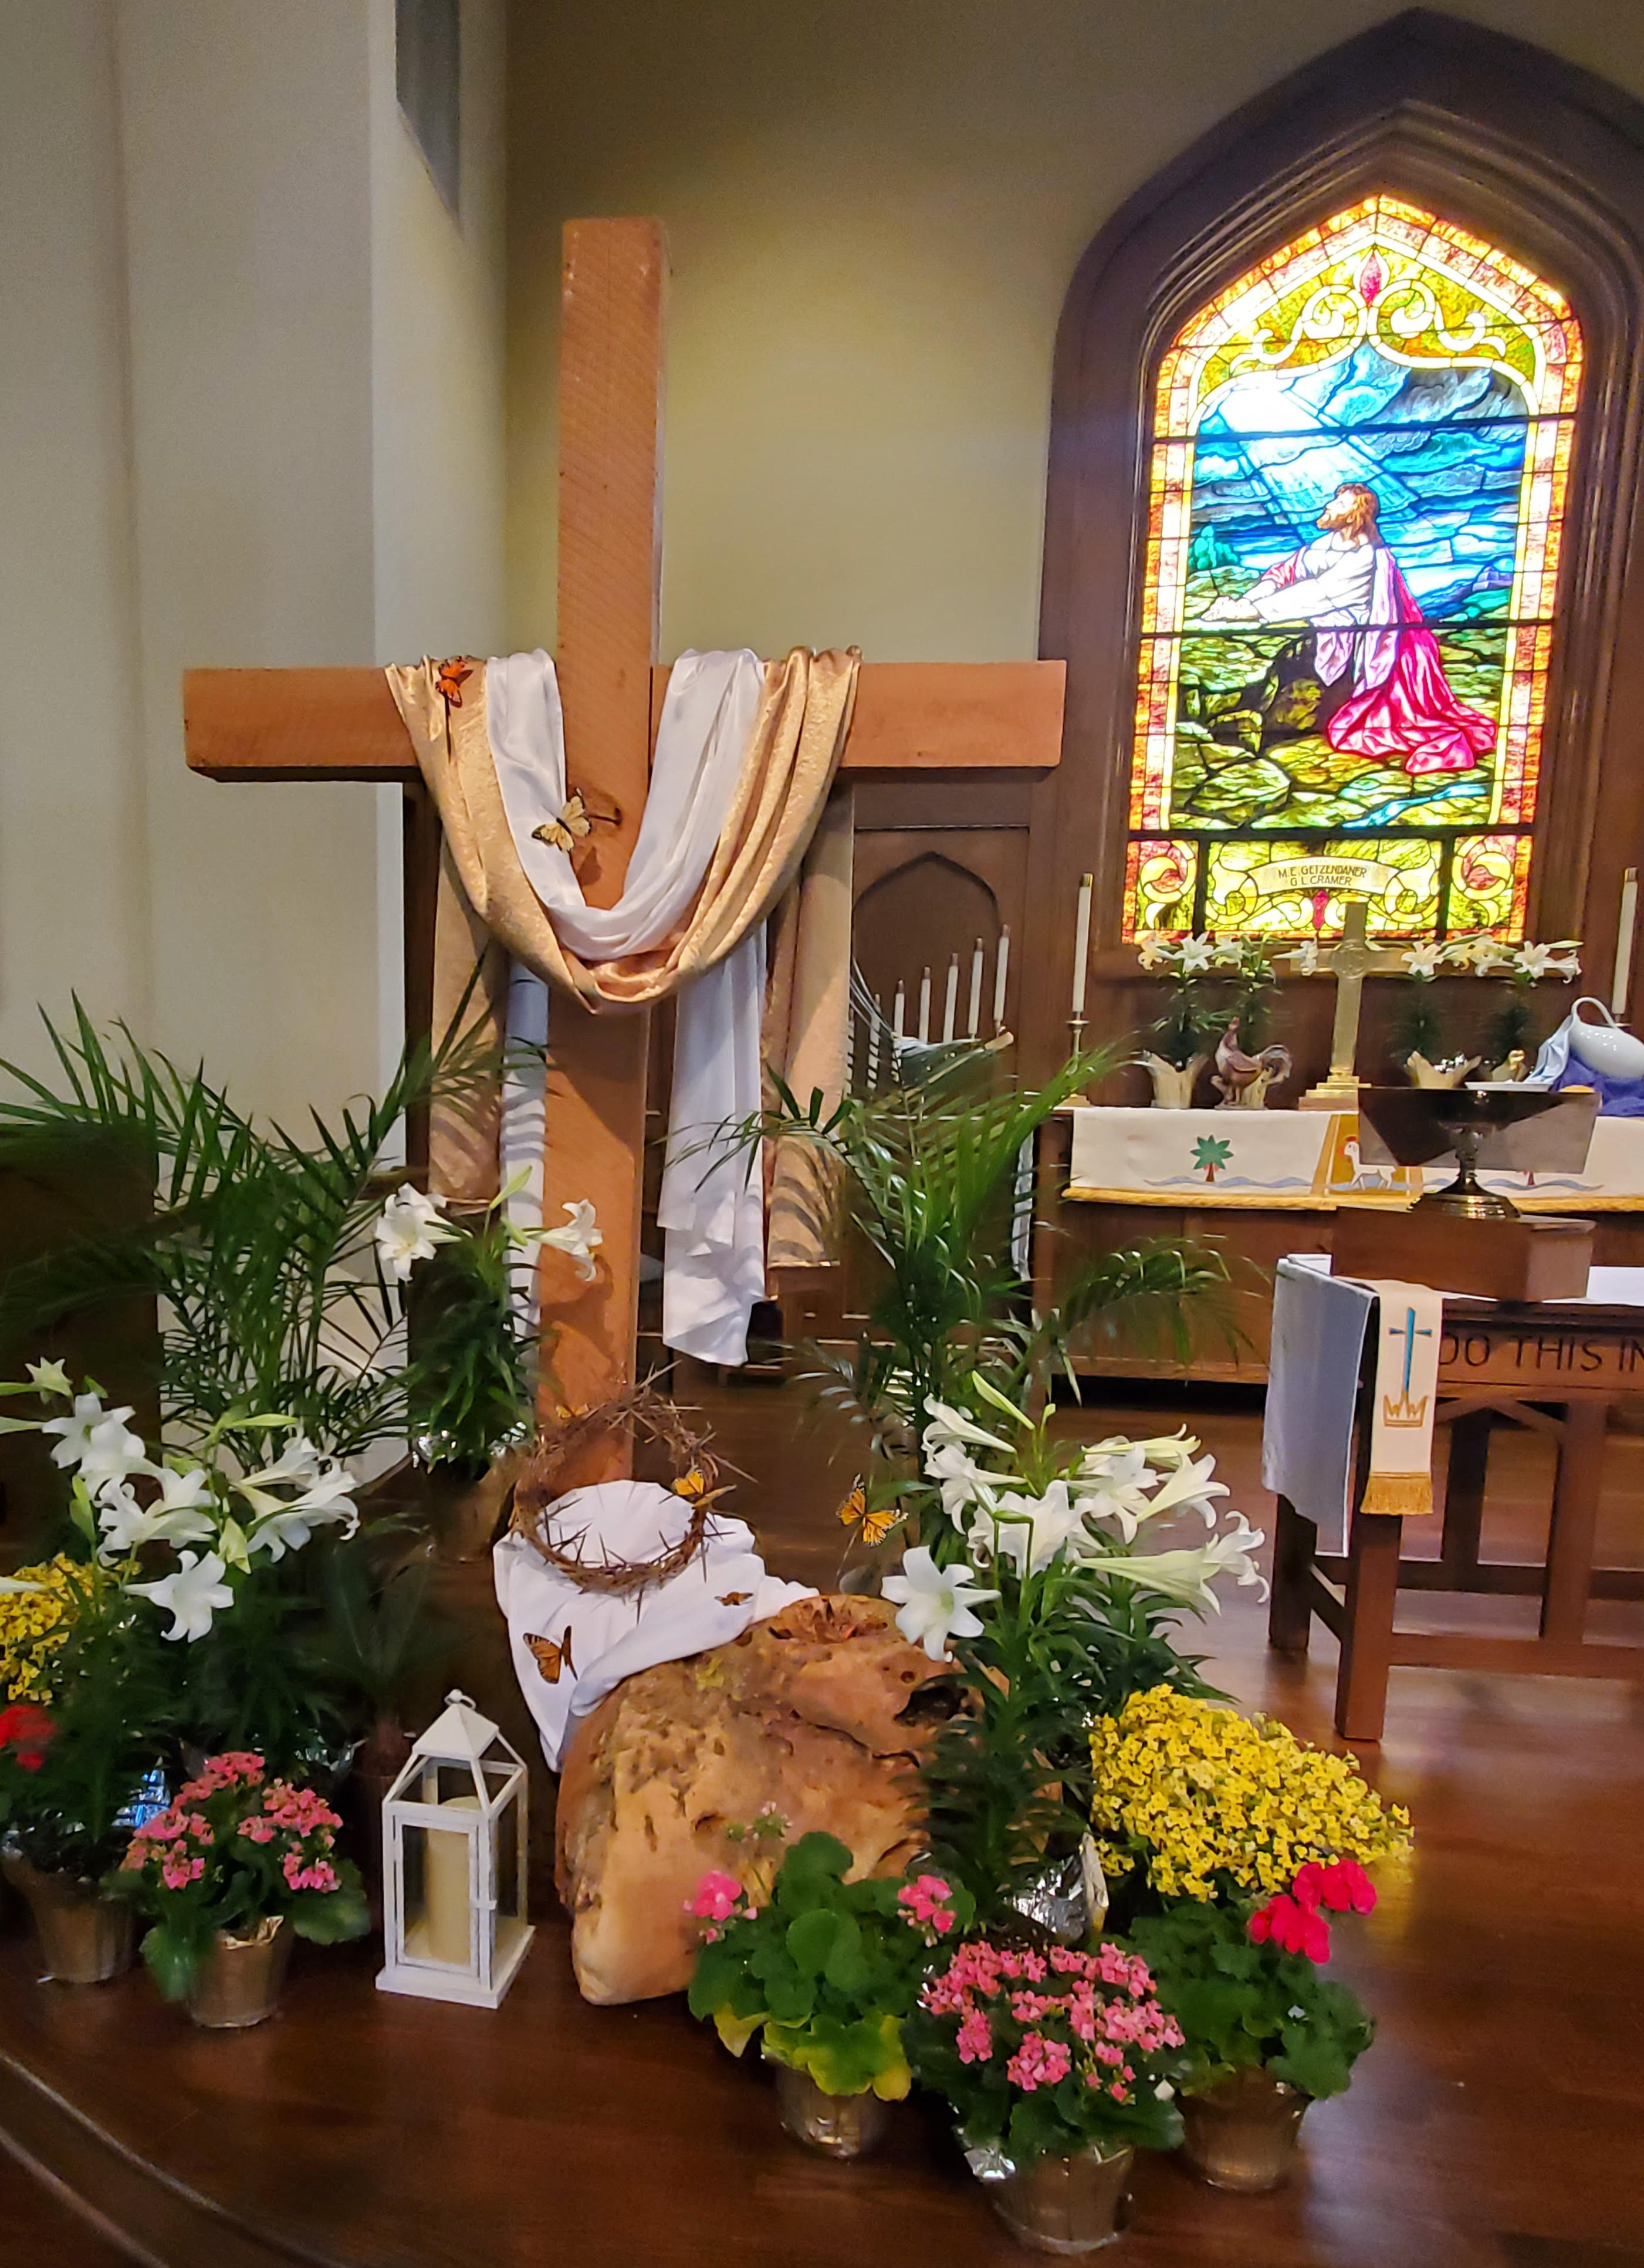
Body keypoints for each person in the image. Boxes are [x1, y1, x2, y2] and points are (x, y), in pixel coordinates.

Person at [1200, 482, 1496, 777]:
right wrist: (1244, 601)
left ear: (1355, 517)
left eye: (1340, 504)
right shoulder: (1326, 544)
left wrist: (1248, 612)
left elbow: (1316, 594)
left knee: (1359, 724)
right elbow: (1286, 572)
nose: (1329, 506)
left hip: (1368, 639)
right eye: (1334, 500)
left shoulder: (1366, 557)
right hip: (1321, 617)